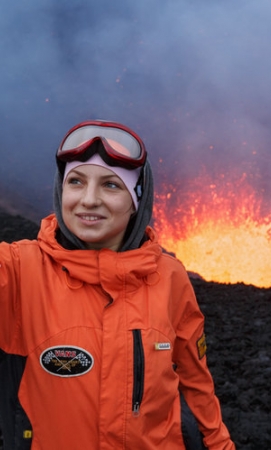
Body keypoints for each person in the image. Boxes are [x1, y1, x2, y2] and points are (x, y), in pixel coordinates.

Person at [0, 120, 235, 449]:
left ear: (137, 200)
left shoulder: (170, 278)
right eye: (76, 182)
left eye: (111, 185)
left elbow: (196, 387)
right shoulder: (19, 270)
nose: (89, 199)